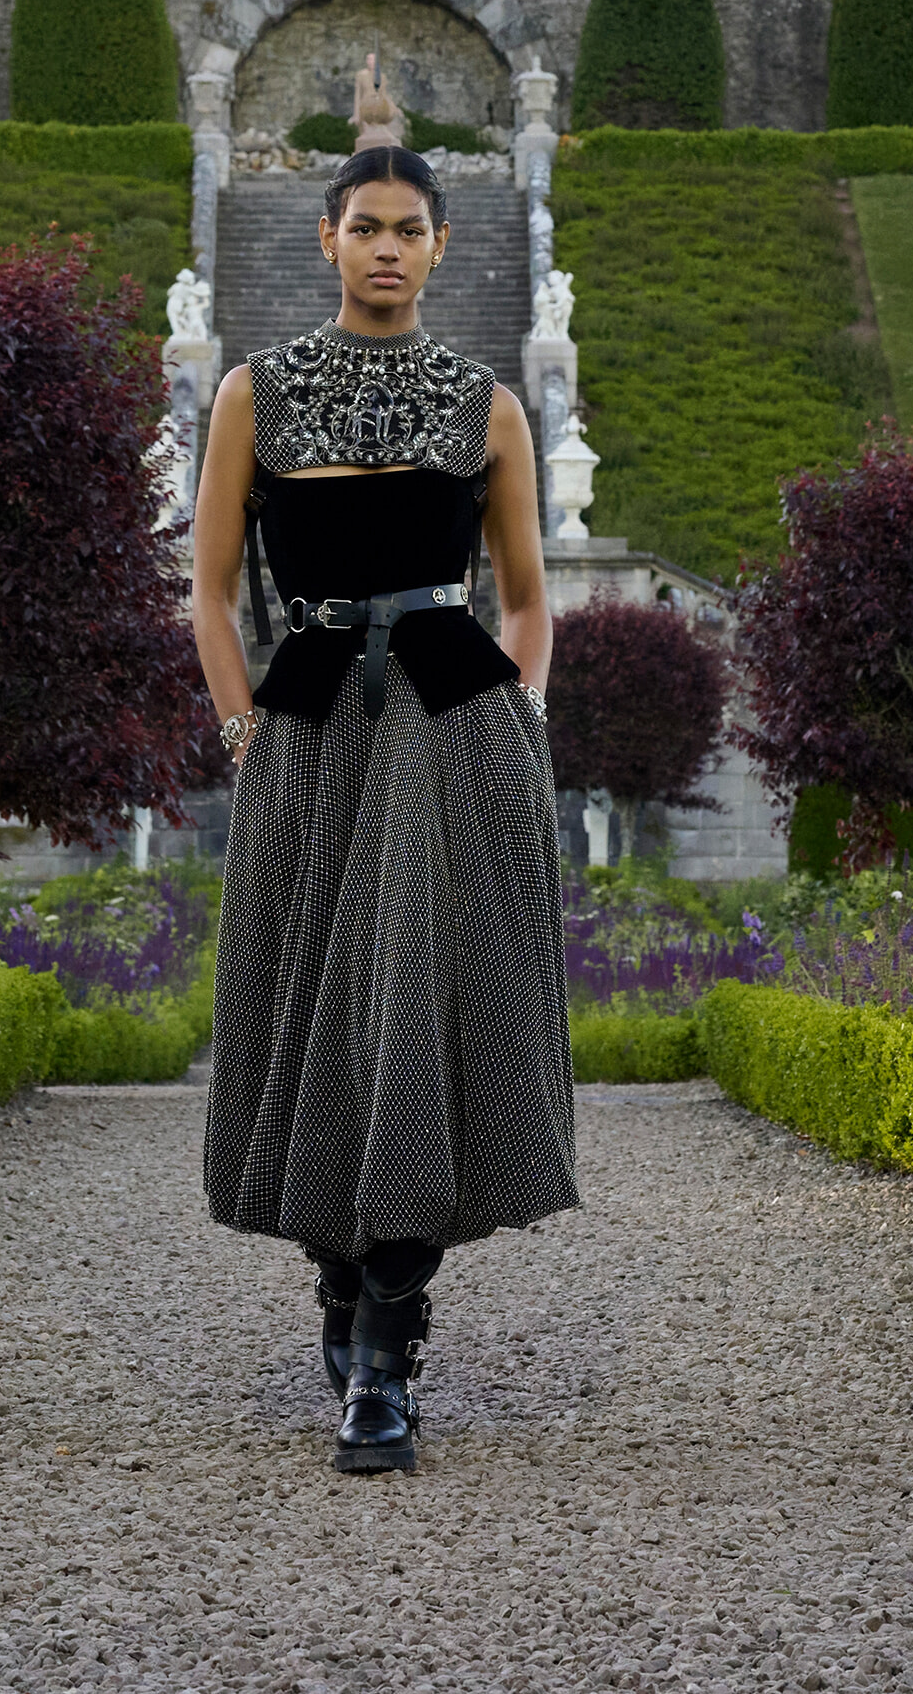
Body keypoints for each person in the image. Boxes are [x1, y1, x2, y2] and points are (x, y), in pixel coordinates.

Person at [191, 144, 578, 1475]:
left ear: (442, 244)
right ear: (327, 238)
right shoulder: (255, 393)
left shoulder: (488, 407)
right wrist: (243, 722)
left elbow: (524, 592)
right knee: (303, 1007)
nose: (389, 249)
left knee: (424, 1006)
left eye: (411, 230)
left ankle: (386, 1351)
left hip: (448, 727)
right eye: (367, 227)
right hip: (307, 725)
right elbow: (209, 584)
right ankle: (337, 1292)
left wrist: (510, 719)